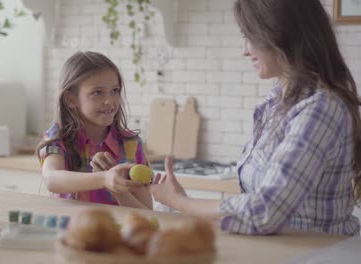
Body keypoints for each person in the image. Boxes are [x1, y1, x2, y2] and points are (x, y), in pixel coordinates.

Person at [149, 0, 361, 235]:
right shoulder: (277, 101)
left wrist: (182, 203)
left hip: (318, 254)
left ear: (282, 36)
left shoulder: (321, 108)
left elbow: (266, 212)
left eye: (251, 37)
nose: (245, 49)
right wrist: (185, 202)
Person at [36, 51, 152, 209]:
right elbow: (52, 179)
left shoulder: (131, 144)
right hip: (71, 231)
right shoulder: (59, 137)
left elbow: (146, 211)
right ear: (71, 99)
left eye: (115, 90)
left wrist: (118, 189)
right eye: (97, 92)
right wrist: (104, 178)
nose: (109, 101)